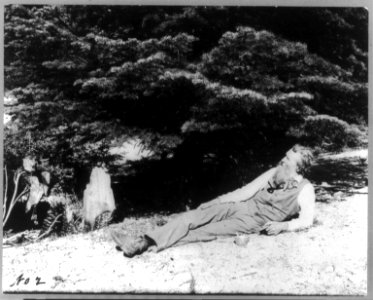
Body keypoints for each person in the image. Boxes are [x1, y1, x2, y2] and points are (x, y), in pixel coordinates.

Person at [110, 144, 315, 258]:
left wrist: (283, 226)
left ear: (298, 167)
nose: (283, 159)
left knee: (205, 231)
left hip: (254, 222)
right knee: (197, 215)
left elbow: (307, 220)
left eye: (288, 159)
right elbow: (245, 192)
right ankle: (140, 242)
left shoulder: (305, 189)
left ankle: (146, 244)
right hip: (242, 206)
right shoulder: (274, 172)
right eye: (285, 155)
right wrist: (215, 202)